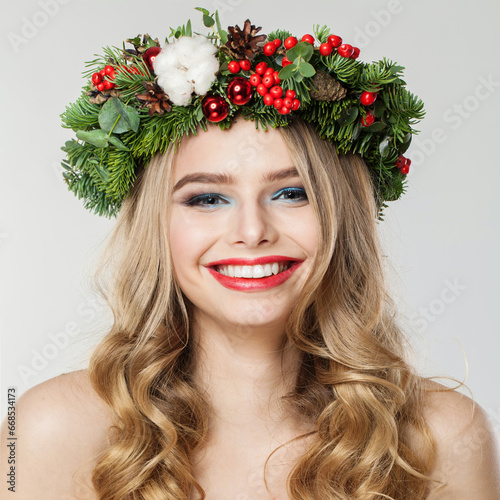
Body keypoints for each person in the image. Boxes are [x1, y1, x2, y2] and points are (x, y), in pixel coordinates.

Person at [2, 11, 499, 500]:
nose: (252, 231)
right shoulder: (47, 430)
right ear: (157, 226)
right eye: (207, 198)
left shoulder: (444, 437)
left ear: (340, 215)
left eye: (291, 193)